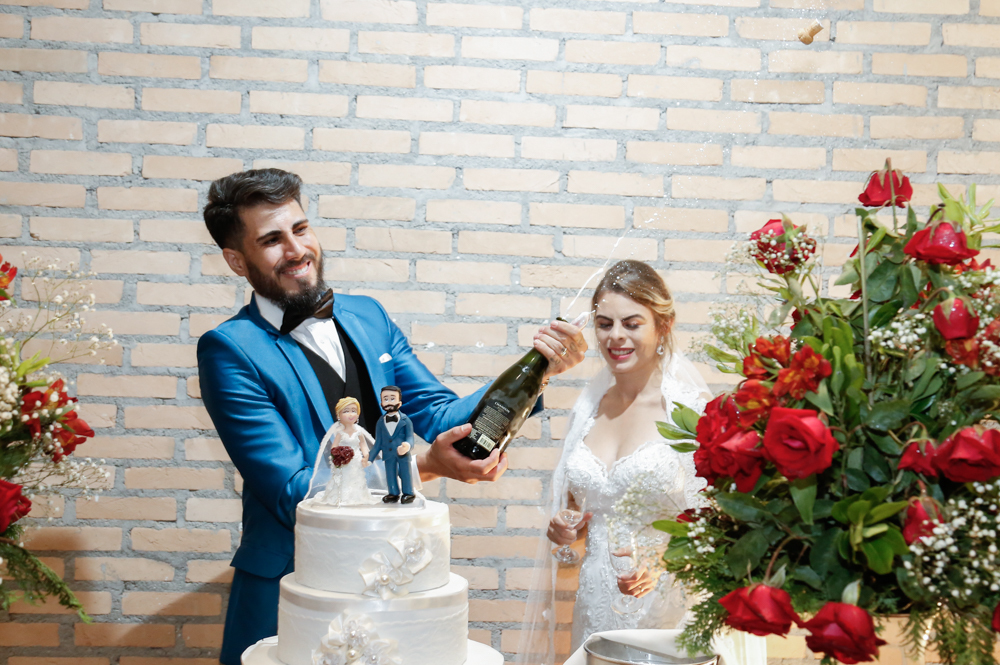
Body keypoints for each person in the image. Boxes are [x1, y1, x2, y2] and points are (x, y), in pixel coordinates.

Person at [196, 168, 588, 665]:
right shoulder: (229, 350)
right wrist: (422, 467)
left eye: (301, 228)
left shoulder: (369, 316)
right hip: (293, 588)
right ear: (236, 260)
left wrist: (538, 371)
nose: (296, 250)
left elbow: (441, 413)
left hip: (395, 582)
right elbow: (294, 491)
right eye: (272, 240)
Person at [517, 260, 766, 664]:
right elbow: (584, 514)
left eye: (632, 324)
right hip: (596, 607)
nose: (615, 336)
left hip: (668, 610)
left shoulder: (693, 413)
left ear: (663, 326)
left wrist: (663, 560)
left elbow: (724, 527)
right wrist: (566, 528)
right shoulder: (587, 409)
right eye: (604, 324)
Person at [309, 397, 379, 506]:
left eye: (353, 411)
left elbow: (363, 446)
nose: (351, 414)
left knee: (356, 478)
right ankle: (341, 496)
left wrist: (366, 456)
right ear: (339, 415)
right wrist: (337, 455)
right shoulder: (340, 433)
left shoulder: (359, 432)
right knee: (343, 478)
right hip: (343, 461)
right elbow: (334, 447)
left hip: (356, 460)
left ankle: (356, 496)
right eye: (346, 411)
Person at [369, 385, 416, 504]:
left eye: (392, 398)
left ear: (400, 402)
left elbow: (410, 438)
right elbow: (378, 442)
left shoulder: (406, 420)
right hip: (388, 454)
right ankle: (393, 493)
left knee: (405, 474)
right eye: (385, 399)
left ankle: (408, 493)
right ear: (381, 403)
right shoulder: (380, 422)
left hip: (403, 454)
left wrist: (407, 446)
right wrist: (369, 458)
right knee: (390, 474)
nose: (389, 402)